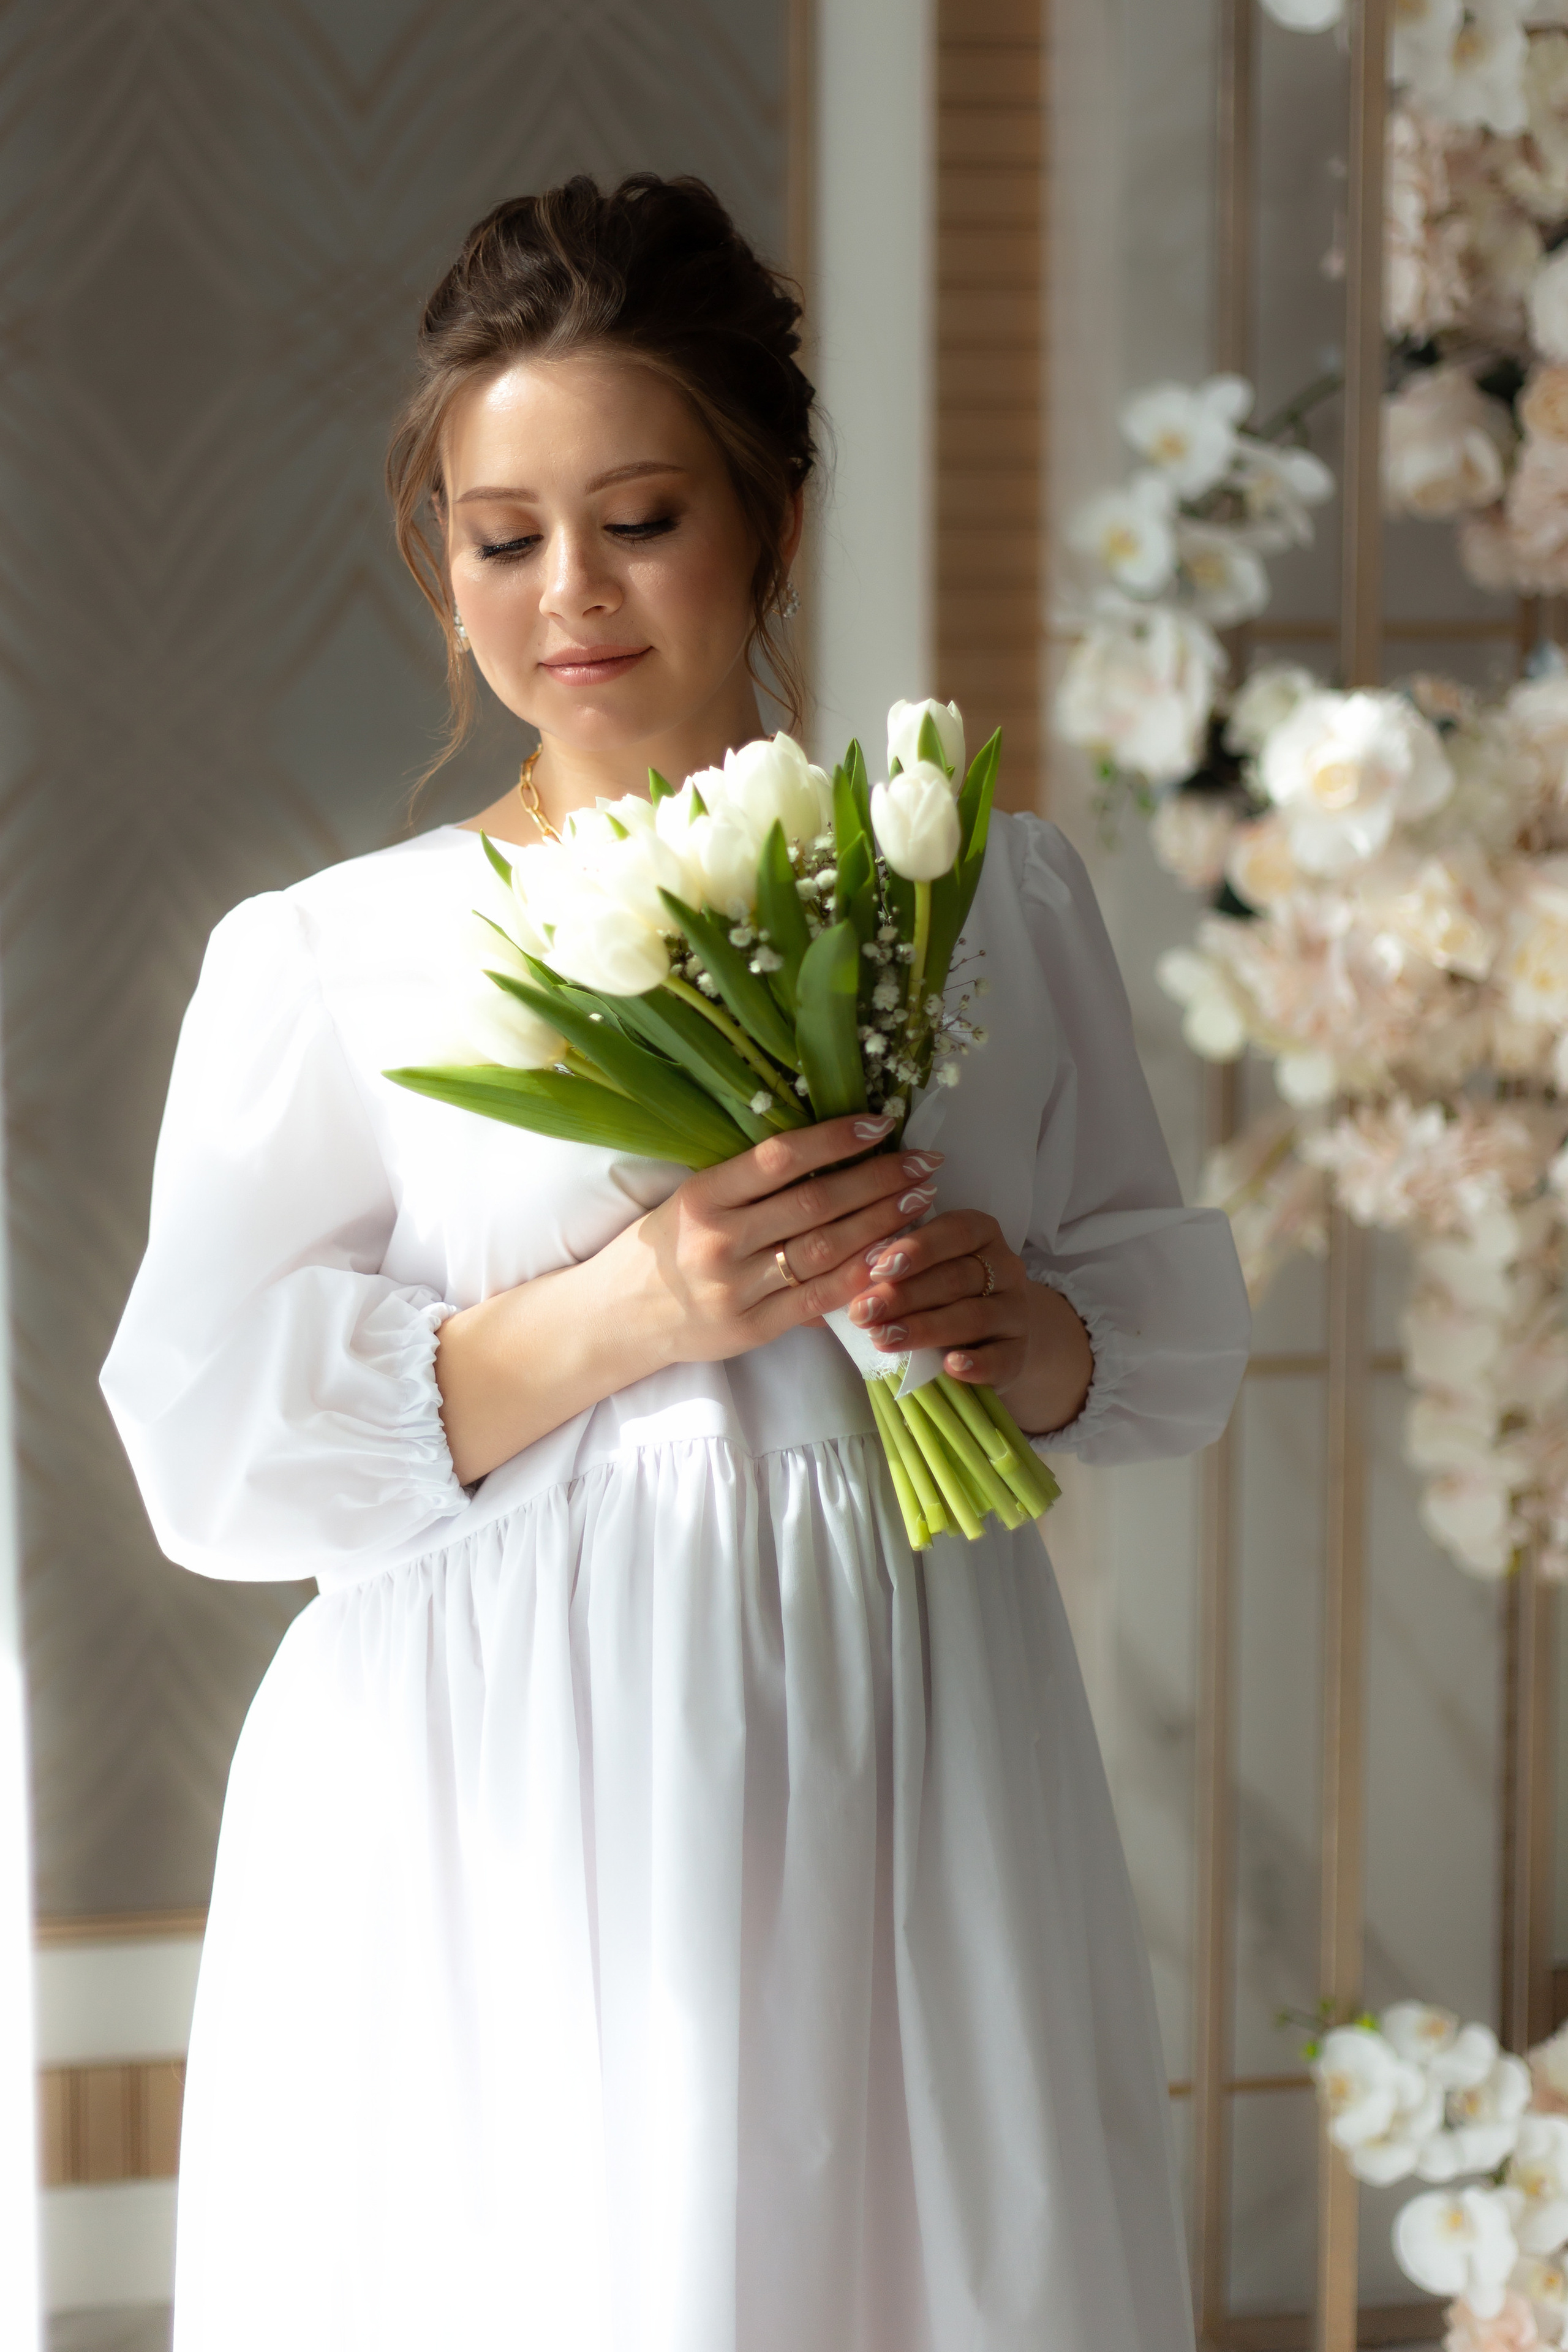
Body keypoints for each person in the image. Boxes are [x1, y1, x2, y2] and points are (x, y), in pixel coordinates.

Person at [102, 175, 1250, 2352]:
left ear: (776, 521)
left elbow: (1167, 1330)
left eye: (637, 516)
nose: (567, 596)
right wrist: (629, 1313)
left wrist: (1033, 1332)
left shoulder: (987, 889)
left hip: (923, 1761)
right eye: (499, 533)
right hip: (502, 1813)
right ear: (440, 556)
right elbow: (207, 1451)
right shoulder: (338, 959)